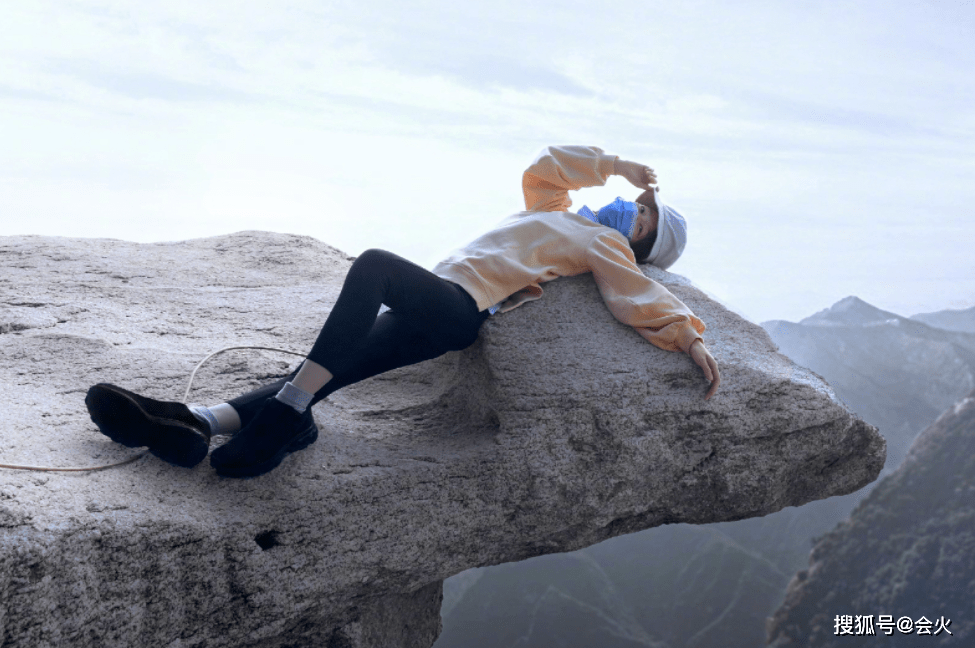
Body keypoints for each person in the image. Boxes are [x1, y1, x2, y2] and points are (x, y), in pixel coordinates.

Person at [85, 145, 721, 479]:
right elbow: (547, 166)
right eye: (640, 204)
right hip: (437, 307)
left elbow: (635, 294)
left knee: (375, 267)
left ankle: (287, 415)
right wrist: (615, 166)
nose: (632, 209)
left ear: (640, 242)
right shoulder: (557, 212)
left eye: (643, 218)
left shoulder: (605, 243)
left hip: (460, 308)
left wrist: (688, 337)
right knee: (329, 367)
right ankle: (197, 421)